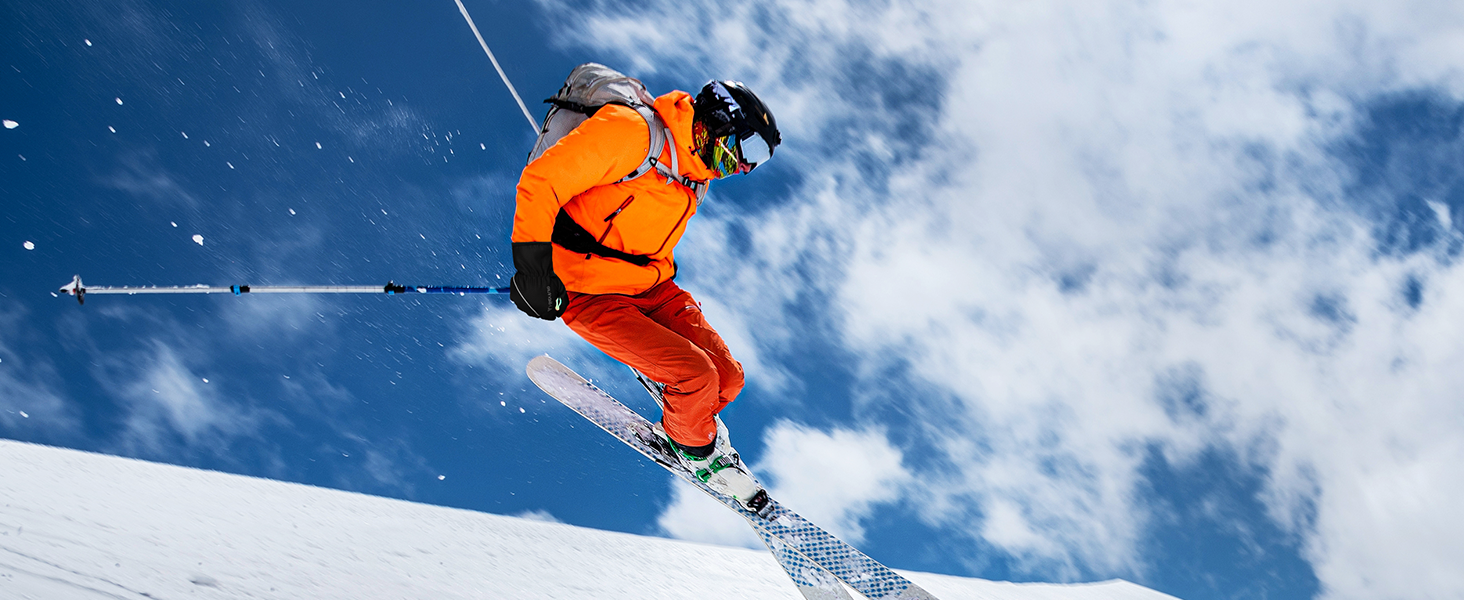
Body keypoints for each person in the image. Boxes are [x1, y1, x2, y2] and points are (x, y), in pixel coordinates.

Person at [509, 78, 780, 509]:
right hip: (589, 290)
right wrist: (533, 269)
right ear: (716, 123)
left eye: (756, 162)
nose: (744, 168)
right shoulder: (633, 132)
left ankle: (689, 421)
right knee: (697, 378)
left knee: (728, 379)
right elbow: (542, 181)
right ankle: (694, 452)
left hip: (652, 286)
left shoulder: (697, 176)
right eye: (745, 153)